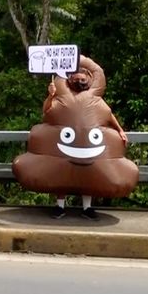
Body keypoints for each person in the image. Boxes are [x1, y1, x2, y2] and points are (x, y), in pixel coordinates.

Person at [44, 61, 127, 220]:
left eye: (82, 80)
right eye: (76, 79)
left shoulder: (94, 99)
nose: (79, 82)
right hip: (66, 144)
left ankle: (87, 207)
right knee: (62, 173)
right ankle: (60, 206)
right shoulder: (62, 97)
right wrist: (50, 95)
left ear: (88, 81)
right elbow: (47, 110)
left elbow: (108, 114)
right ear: (69, 80)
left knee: (88, 174)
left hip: (89, 145)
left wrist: (120, 129)